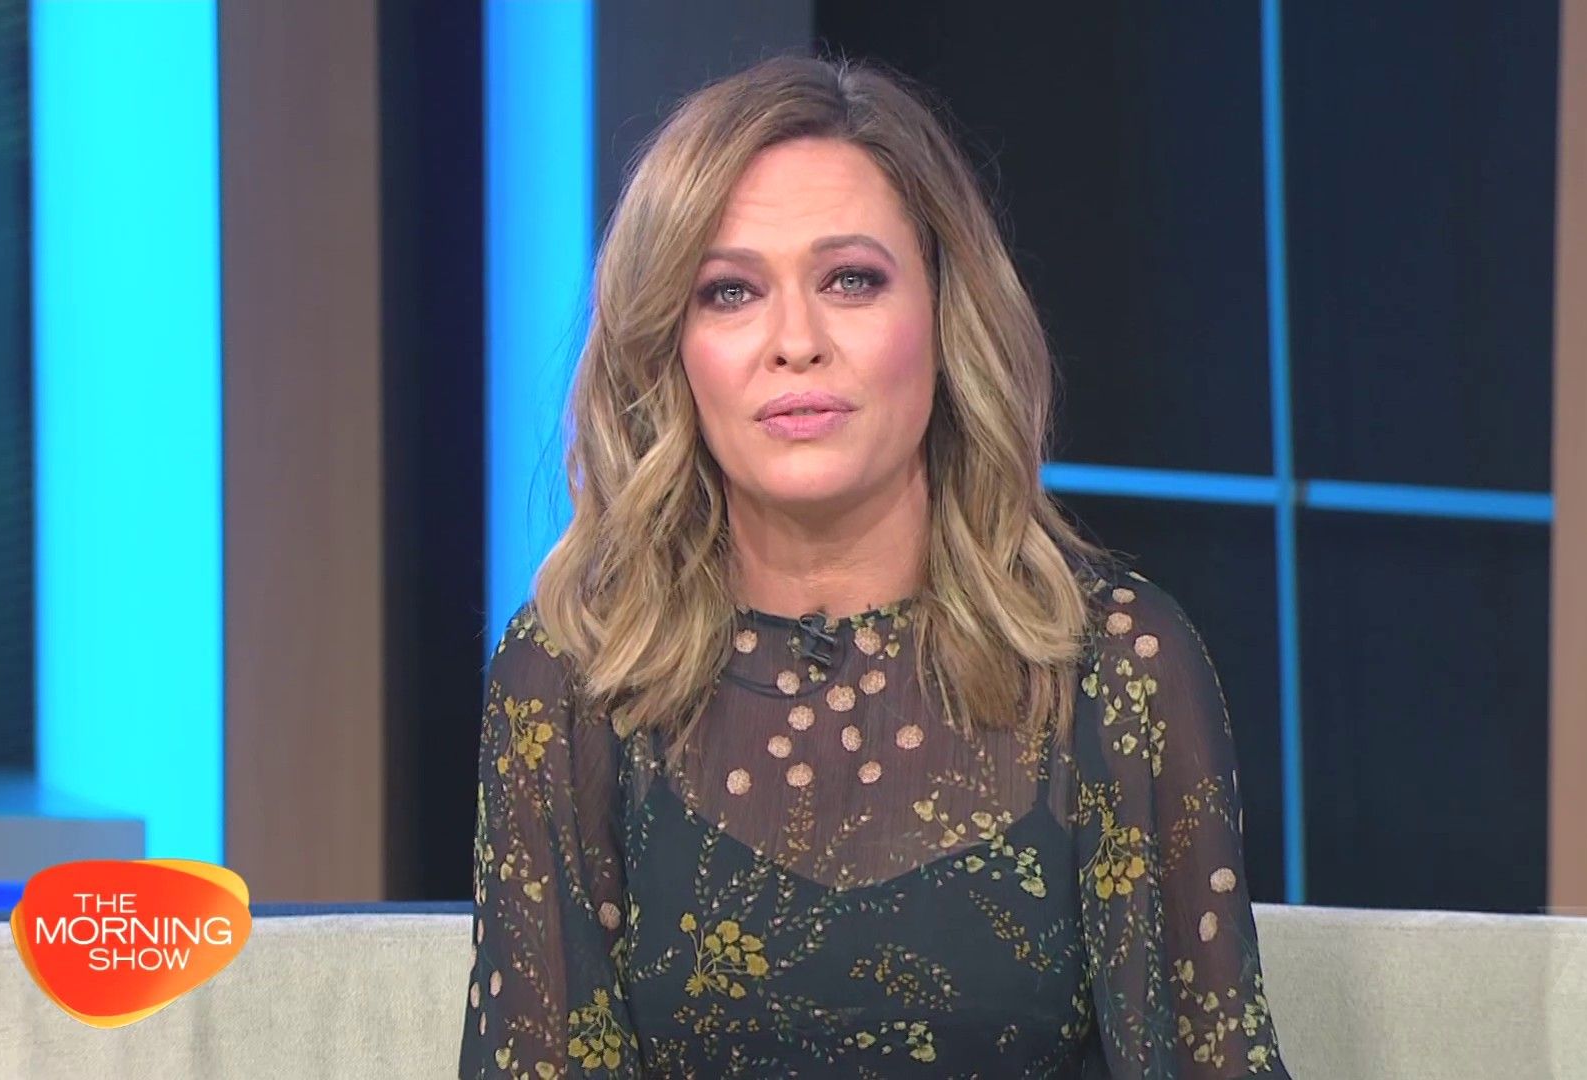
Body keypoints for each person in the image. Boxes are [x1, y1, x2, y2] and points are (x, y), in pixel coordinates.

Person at [459, 53, 1290, 1078]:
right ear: (670, 348)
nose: (795, 342)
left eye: (851, 280)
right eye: (729, 291)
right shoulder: (571, 678)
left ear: (945, 316)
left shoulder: (1116, 668)